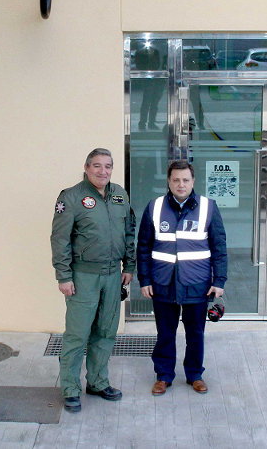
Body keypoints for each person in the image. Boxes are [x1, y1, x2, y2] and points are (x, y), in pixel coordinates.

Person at [50, 148, 136, 413]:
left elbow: (129, 232)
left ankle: (98, 382)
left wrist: (129, 265)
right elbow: (60, 239)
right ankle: (70, 389)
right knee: (77, 335)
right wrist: (64, 276)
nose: (103, 171)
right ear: (86, 168)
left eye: (108, 166)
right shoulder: (71, 197)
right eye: (97, 166)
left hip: (113, 276)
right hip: (83, 277)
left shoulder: (120, 194)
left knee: (106, 331)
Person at [136, 160, 228, 395]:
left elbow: (219, 247)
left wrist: (219, 281)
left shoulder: (208, 207)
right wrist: (144, 280)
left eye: (185, 180)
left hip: (196, 284)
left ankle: (195, 375)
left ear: (193, 182)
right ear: (168, 181)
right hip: (163, 283)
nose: (181, 184)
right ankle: (164, 375)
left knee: (195, 333)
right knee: (165, 333)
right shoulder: (154, 207)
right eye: (176, 179)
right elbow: (143, 247)